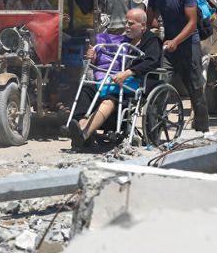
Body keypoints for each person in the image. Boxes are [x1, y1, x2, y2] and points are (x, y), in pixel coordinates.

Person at [68, 8, 162, 148]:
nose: (126, 27)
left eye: (131, 24)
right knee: (86, 89)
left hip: (138, 82)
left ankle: (84, 133)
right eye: (126, 23)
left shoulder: (152, 40)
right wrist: (94, 57)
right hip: (115, 80)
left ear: (142, 26)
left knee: (110, 100)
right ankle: (81, 125)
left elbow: (152, 61)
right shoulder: (123, 40)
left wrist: (129, 72)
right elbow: (109, 59)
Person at [146, 0, 209, 132]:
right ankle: (154, 133)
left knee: (196, 90)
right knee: (160, 87)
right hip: (169, 48)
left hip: (189, 46)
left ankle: (203, 132)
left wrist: (176, 41)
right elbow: (149, 19)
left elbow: (192, 23)